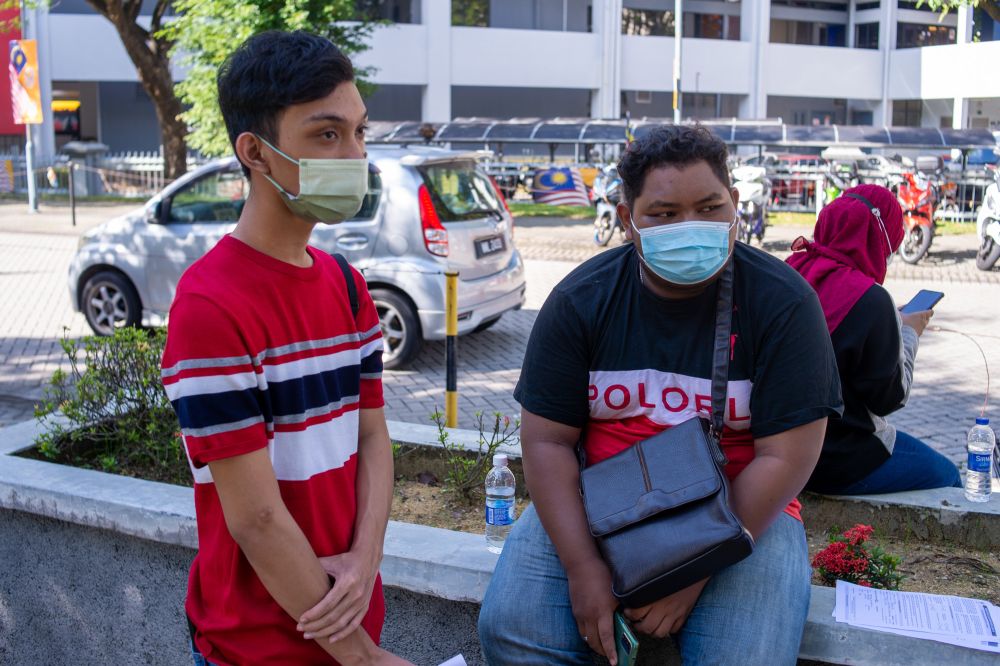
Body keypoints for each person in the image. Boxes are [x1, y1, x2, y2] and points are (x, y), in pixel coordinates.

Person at [478, 125, 843, 665]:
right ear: (627, 219)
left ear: (736, 205)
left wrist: (696, 567)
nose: (691, 227)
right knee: (514, 631)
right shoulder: (582, 300)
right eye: (665, 214)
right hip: (596, 497)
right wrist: (583, 568)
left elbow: (786, 454)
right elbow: (547, 443)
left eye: (710, 206)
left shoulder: (784, 303)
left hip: (739, 505)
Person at [160, 31, 411, 666]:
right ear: (256, 153)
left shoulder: (348, 284)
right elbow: (256, 519)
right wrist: (362, 657)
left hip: (351, 628)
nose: (354, 155)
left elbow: (373, 438)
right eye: (327, 135)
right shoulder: (211, 306)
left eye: (358, 133)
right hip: (258, 648)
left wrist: (365, 558)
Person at [786, 184, 962, 495]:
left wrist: (889, 321)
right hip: (838, 460)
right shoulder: (871, 300)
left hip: (779, 454)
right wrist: (908, 331)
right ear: (881, 238)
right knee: (949, 476)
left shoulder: (791, 271)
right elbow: (890, 398)